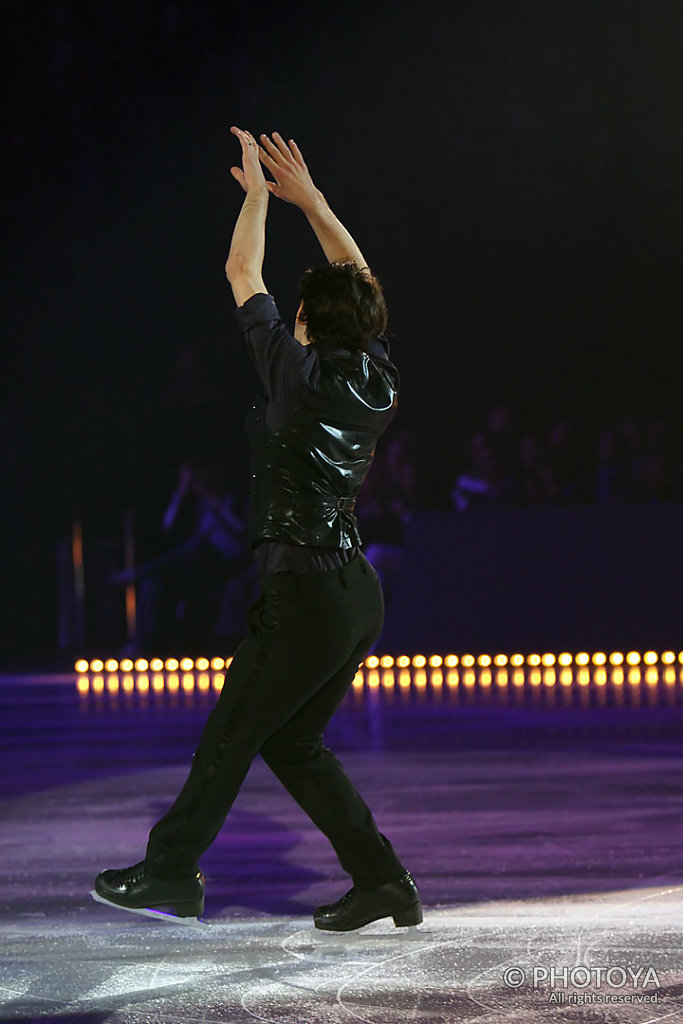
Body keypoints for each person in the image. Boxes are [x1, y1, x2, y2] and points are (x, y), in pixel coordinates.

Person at [94, 127, 422, 932]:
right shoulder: (375, 373)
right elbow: (361, 282)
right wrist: (309, 201)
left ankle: (170, 870)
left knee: (233, 731)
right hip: (351, 595)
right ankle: (382, 882)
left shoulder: (296, 375)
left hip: (307, 593)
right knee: (292, 742)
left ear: (306, 317)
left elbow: (243, 271)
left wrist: (253, 200)